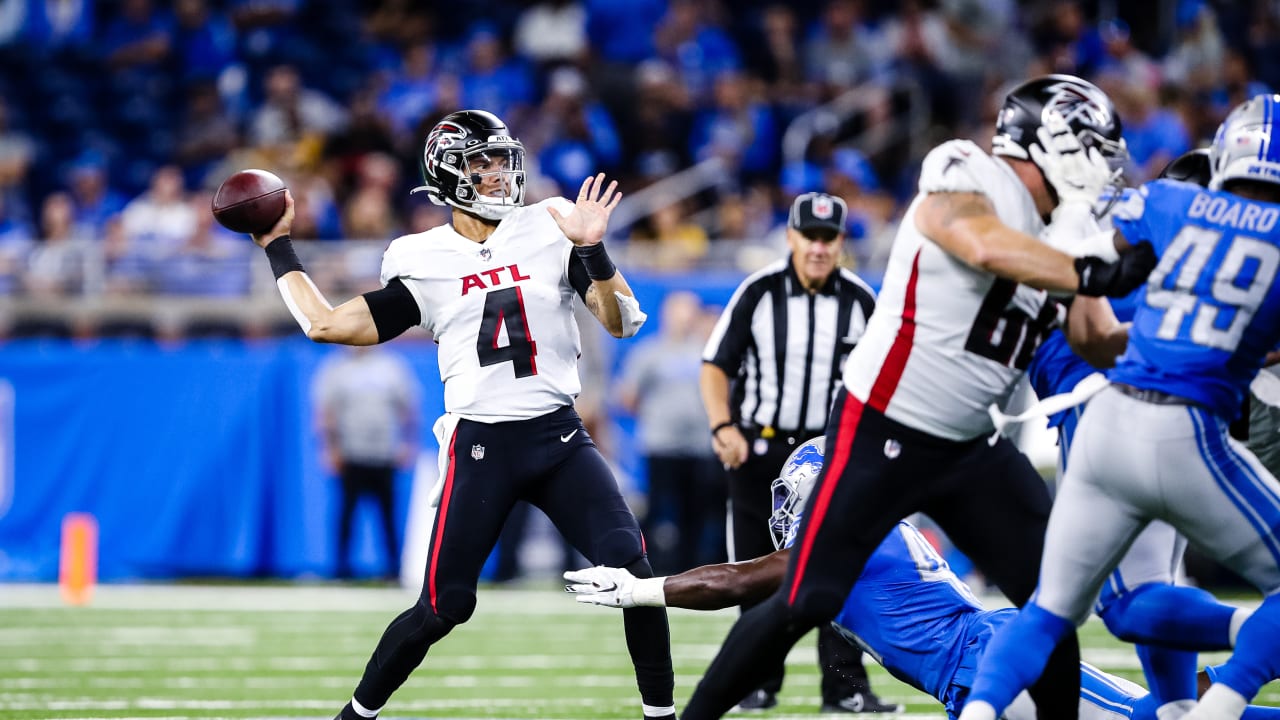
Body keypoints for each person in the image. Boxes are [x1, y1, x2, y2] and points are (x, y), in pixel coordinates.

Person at [677, 74, 1158, 720]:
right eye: (1093, 147)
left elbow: (1095, 337)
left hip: (970, 446)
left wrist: (1177, 350)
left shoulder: (1070, 232)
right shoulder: (965, 170)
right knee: (807, 596)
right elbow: (980, 242)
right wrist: (1088, 267)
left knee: (1050, 605)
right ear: (1050, 143)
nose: (1102, 165)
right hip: (884, 428)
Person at [245, 109, 675, 720]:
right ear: (447, 174)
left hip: (559, 435)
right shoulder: (423, 256)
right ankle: (353, 717)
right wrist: (278, 246)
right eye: (482, 162)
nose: (499, 173)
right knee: (444, 606)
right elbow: (326, 324)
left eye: (503, 160)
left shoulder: (552, 223)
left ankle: (662, 717)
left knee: (637, 578)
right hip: (483, 447)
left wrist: (594, 248)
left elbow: (618, 320)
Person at [956, 94, 1280, 720]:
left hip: (1109, 415)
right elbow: (1099, 324)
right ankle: (1220, 690)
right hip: (1155, 410)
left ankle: (990, 712)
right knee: (1136, 603)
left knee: (1059, 608)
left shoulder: (1158, 205)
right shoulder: (1170, 209)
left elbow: (1096, 281)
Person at [563, 438, 1280, 720]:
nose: (797, 515)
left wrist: (638, 589)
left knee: (1169, 719)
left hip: (993, 664)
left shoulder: (855, 536)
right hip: (979, 668)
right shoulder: (881, 529)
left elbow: (740, 583)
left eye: (804, 500)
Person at [700, 191, 889, 714]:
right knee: (756, 576)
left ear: (841, 243)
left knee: (841, 571)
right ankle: (756, 683)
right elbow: (716, 364)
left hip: (829, 456)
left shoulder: (861, 300)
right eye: (811, 236)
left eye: (829, 238)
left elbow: (880, 383)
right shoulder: (758, 292)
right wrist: (723, 426)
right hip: (761, 450)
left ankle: (846, 688)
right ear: (790, 237)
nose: (819, 247)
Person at [617, 291, 725, 575]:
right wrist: (657, 418)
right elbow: (627, 396)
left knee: (696, 512)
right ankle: (648, 567)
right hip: (661, 444)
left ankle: (690, 567)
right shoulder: (650, 352)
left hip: (699, 445)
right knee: (657, 509)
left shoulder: (706, 350)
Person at [312, 345, 421, 580]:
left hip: (384, 454)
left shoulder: (391, 366)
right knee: (347, 514)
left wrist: (408, 443)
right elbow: (325, 412)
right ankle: (341, 568)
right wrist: (329, 448)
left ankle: (393, 569)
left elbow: (408, 408)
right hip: (351, 453)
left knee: (388, 515)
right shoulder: (336, 368)